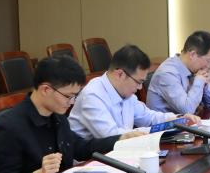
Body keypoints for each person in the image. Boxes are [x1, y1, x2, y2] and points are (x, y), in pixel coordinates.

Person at [0, 56, 124, 173]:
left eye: (75, 96)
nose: (72, 102)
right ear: (46, 90)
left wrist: (121, 139)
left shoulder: (57, 116)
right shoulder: (7, 128)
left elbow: (81, 147)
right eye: (68, 96)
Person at [70, 44, 199, 139]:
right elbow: (111, 136)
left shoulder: (125, 93)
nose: (140, 88)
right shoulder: (92, 95)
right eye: (138, 82)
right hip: (89, 163)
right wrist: (145, 132)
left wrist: (178, 119)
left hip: (119, 155)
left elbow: (149, 117)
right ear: (120, 74)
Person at [146, 30, 210, 114]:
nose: (209, 65)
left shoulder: (193, 70)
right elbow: (187, 110)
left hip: (189, 121)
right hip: (168, 122)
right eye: (209, 60)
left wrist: (205, 85)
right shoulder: (167, 73)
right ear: (193, 55)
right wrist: (198, 82)